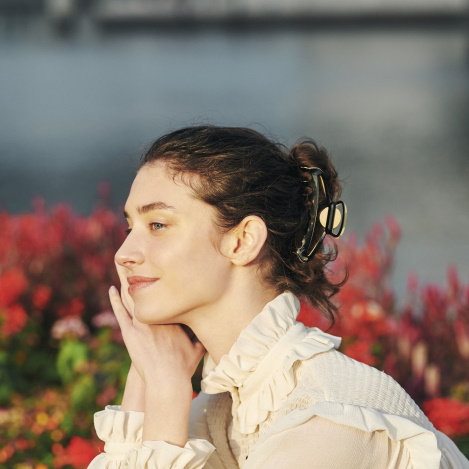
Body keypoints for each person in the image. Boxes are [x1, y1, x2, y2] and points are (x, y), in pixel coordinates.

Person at [88, 126, 468, 469]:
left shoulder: (327, 419)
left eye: (157, 225)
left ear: (243, 240)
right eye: (129, 226)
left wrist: (168, 395)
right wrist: (150, 380)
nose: (124, 252)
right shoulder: (219, 412)